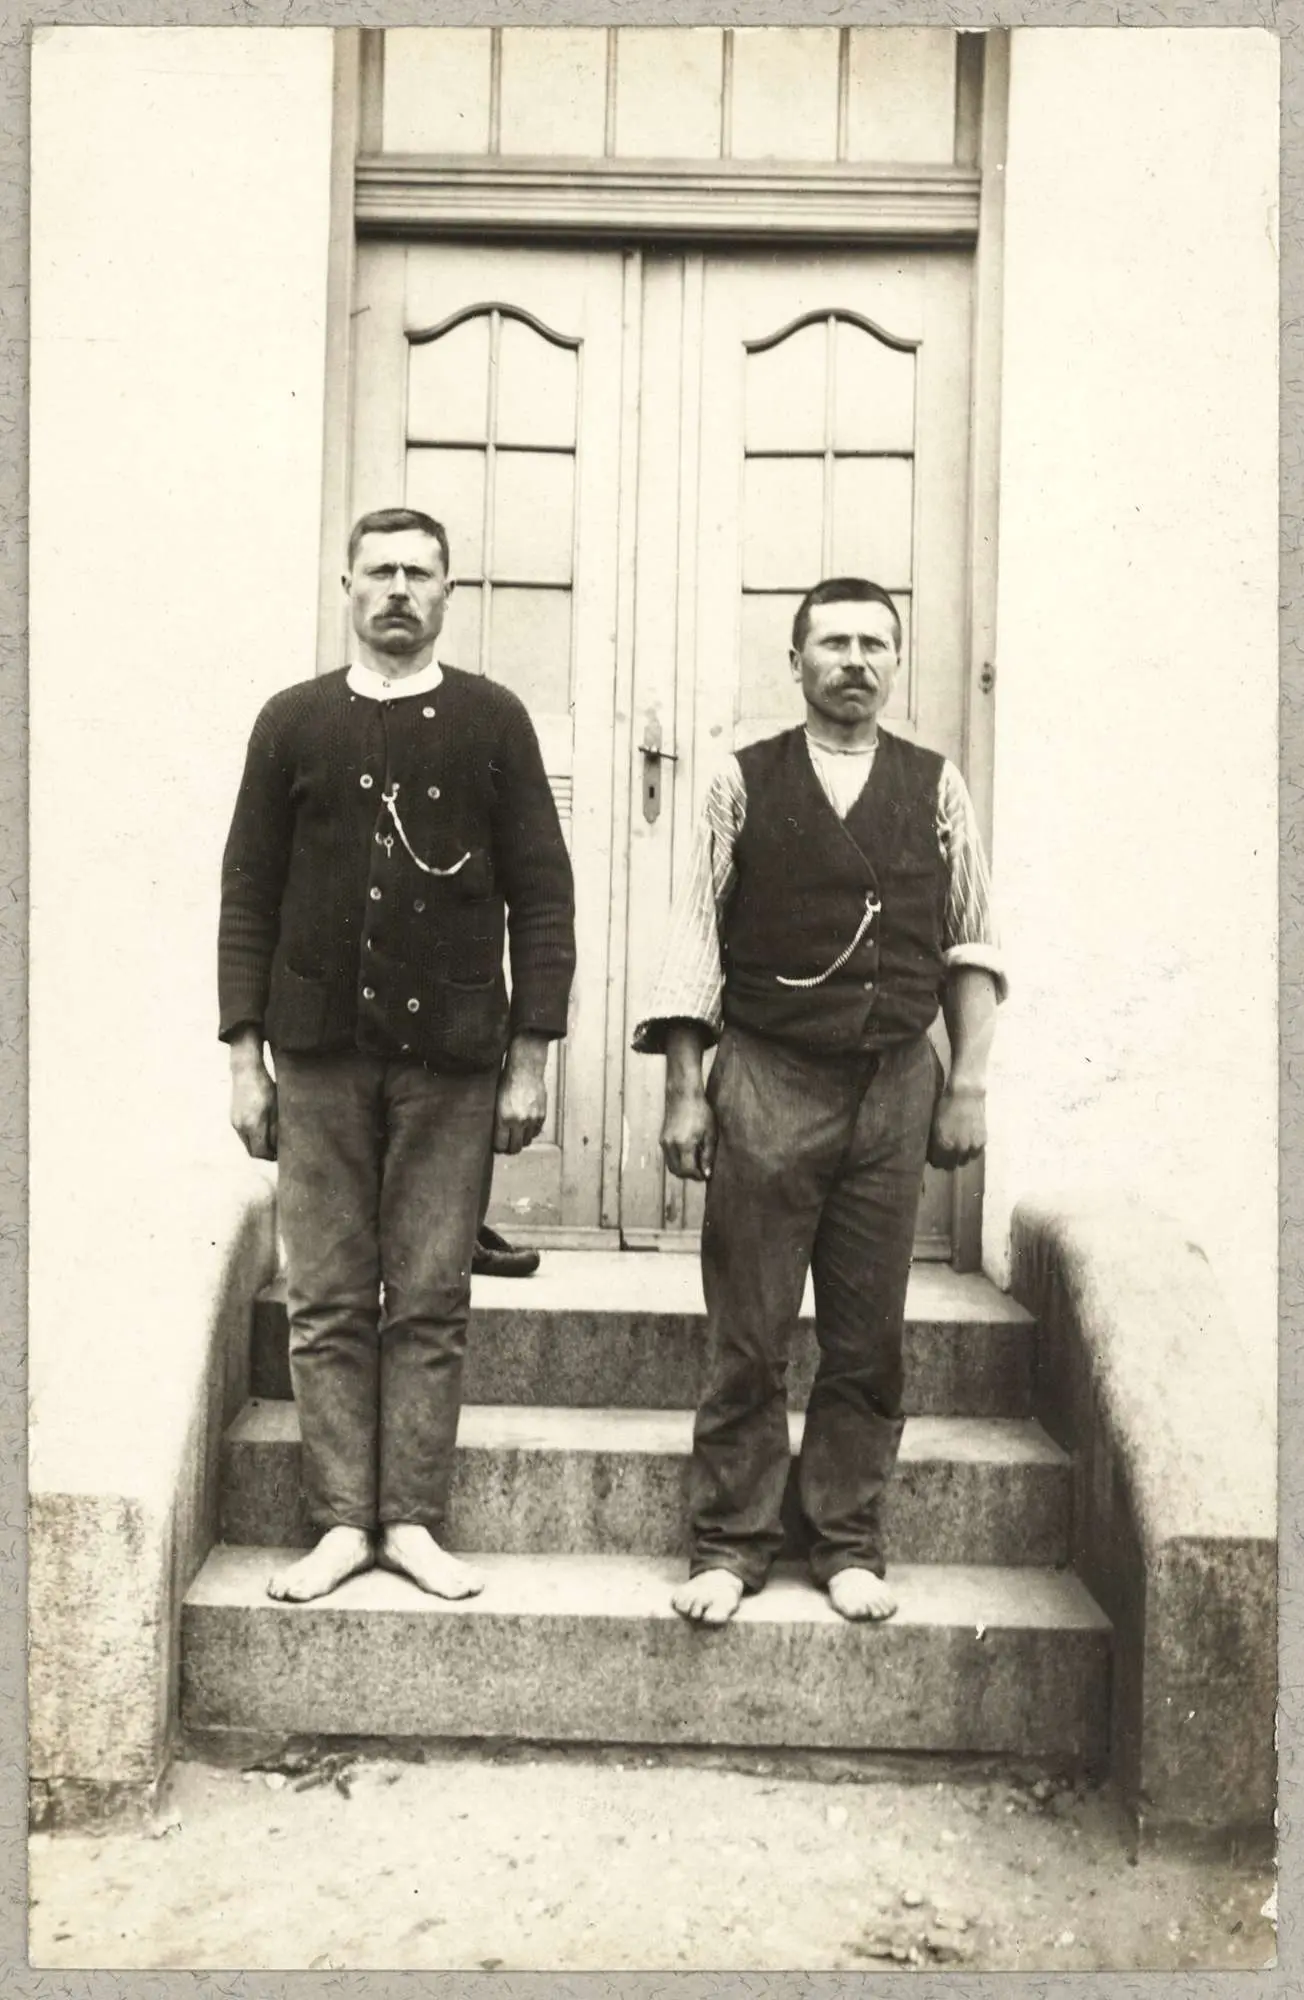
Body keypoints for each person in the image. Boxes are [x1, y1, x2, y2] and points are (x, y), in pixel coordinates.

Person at [633, 577, 1004, 1628]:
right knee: (747, 1329)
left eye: (873, 643)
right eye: (832, 642)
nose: (853, 660)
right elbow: (695, 939)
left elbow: (972, 942)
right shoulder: (740, 779)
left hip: (893, 1084)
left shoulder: (935, 784)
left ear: (896, 662)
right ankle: (730, 1543)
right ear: (794, 661)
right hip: (766, 1075)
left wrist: (966, 1082)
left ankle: (846, 1541)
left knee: (867, 1333)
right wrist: (685, 1090)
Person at [219, 506, 574, 1603]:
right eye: (379, 572)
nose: (398, 592)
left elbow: (542, 894)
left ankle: (410, 1520)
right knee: (326, 1294)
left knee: (428, 1293)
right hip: (317, 1057)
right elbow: (247, 895)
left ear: (448, 593)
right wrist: (244, 1059)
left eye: (420, 573)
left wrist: (529, 1055)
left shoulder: (492, 720)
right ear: (347, 587)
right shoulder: (292, 721)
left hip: (452, 1061)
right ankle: (340, 1522)